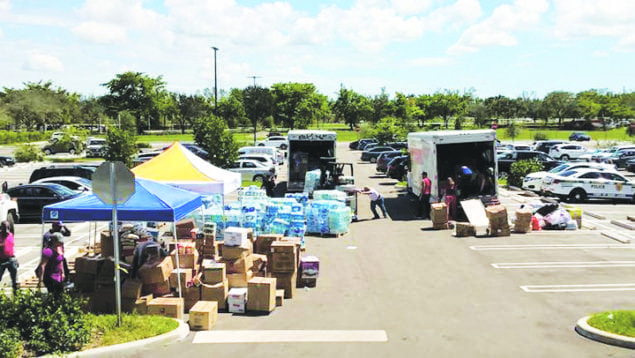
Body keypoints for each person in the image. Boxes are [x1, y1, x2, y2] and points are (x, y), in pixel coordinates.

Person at [0, 220, 18, 292]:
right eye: (4, 228)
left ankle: (16, 293)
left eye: (7, 227)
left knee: (14, 279)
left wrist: (15, 258)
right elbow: (2, 246)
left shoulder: (10, 235)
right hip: (1, 260)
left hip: (11, 259)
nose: (6, 230)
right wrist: (3, 239)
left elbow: (11, 247)